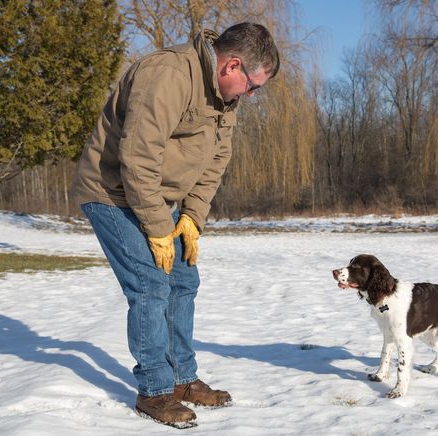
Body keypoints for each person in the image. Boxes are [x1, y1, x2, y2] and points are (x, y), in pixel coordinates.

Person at [70, 23, 280, 428]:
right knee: (151, 284)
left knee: (183, 280)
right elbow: (137, 159)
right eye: (252, 85)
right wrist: (156, 228)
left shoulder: (225, 101)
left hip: (157, 197)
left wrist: (190, 219)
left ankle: (182, 380)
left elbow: (214, 164)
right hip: (111, 190)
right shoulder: (167, 74)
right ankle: (154, 390)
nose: (251, 95)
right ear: (232, 65)